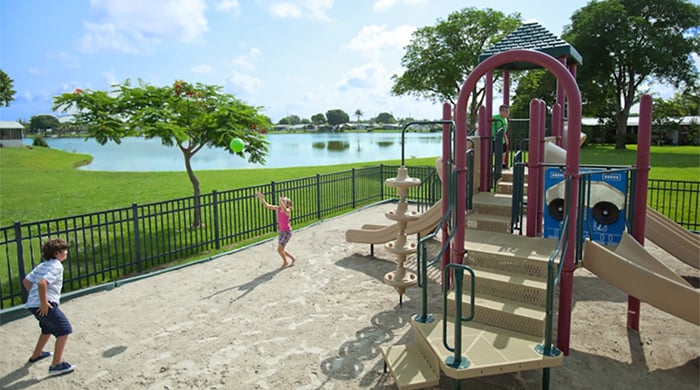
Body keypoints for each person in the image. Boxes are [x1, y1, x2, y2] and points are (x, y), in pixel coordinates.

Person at [23, 238, 75, 376]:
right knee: (64, 330)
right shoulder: (57, 266)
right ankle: (56, 364)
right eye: (64, 250)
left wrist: (35, 298)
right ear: (57, 253)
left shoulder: (42, 265)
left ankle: (36, 354)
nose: (66, 252)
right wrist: (44, 302)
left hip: (33, 304)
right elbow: (42, 283)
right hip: (45, 304)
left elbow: (26, 281)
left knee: (47, 329)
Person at [256, 192, 297, 268]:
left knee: (279, 249)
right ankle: (293, 259)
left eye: (284, 201)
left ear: (287, 204)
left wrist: (281, 202)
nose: (282, 202)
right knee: (281, 250)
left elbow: (285, 209)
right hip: (281, 232)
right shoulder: (278, 208)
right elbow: (267, 205)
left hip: (287, 232)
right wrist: (261, 198)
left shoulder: (287, 211)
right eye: (282, 201)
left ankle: (285, 262)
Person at [492, 104, 510, 168]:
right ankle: (493, 164)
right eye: (506, 111)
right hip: (495, 138)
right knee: (494, 152)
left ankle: (502, 163)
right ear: (500, 111)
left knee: (503, 152)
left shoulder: (505, 119)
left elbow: (503, 130)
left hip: (502, 138)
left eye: (508, 111)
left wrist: (506, 138)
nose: (508, 113)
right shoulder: (495, 117)